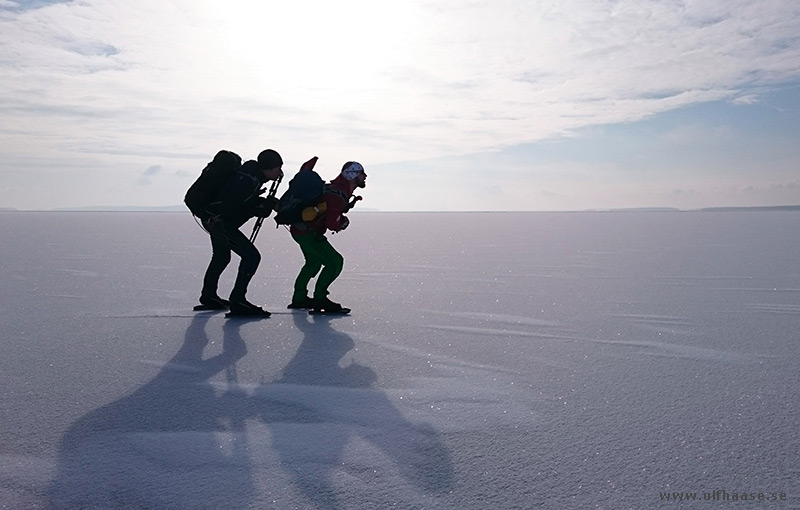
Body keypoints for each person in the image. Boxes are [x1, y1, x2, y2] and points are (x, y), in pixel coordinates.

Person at [198, 149, 283, 316]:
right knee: (252, 256)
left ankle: (209, 296)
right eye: (278, 168)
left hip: (213, 220)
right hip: (219, 222)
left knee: (221, 256)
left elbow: (239, 202)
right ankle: (238, 301)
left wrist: (259, 205)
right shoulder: (248, 180)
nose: (280, 172)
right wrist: (257, 208)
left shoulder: (251, 175)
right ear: (269, 168)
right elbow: (231, 207)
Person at [288, 161, 367, 313]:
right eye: (362, 173)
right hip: (309, 233)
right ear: (353, 176)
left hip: (300, 230)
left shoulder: (334, 189)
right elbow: (332, 224)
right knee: (335, 262)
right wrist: (342, 223)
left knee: (313, 262)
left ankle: (299, 298)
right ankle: (320, 299)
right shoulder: (338, 194)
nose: (365, 177)